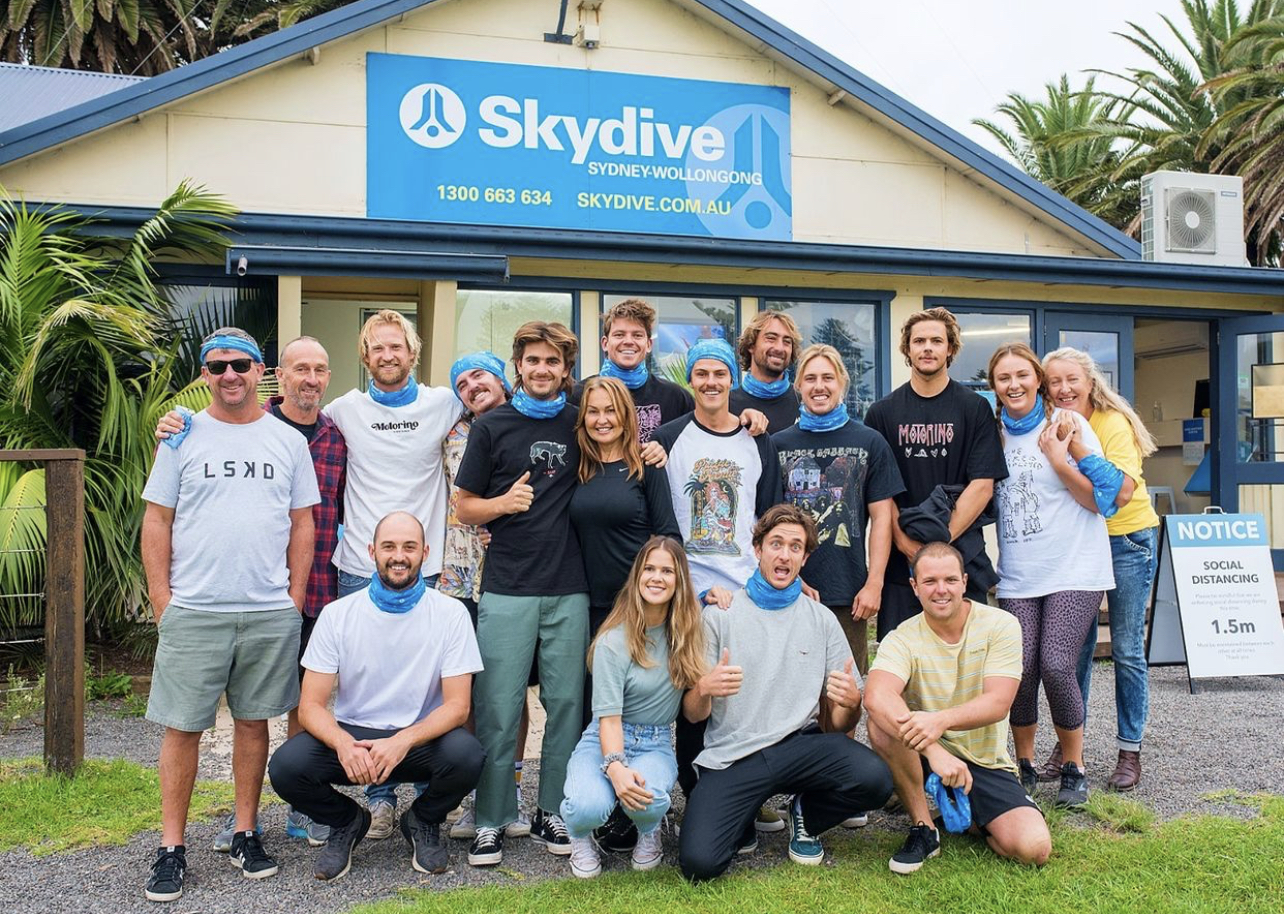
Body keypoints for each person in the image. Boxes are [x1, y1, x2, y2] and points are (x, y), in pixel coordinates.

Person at [140, 328, 319, 903]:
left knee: (253, 723)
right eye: (216, 367)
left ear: (260, 369)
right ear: (204, 375)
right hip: (195, 608)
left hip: (268, 610)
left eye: (240, 364)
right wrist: (162, 600)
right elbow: (157, 520)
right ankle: (172, 847)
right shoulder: (181, 437)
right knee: (183, 726)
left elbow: (302, 523)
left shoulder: (286, 441)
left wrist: (292, 600)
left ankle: (246, 830)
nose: (229, 375)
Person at [677, 505, 893, 882]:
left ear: (805, 558)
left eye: (795, 547)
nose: (784, 554)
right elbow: (694, 715)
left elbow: (842, 721)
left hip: (799, 747)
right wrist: (705, 689)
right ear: (757, 549)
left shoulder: (821, 619)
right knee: (700, 864)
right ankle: (741, 816)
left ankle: (805, 814)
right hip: (734, 754)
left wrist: (851, 704)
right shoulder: (720, 615)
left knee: (876, 778)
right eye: (776, 544)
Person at [268, 512, 485, 881]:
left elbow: (457, 706)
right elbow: (310, 707)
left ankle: (422, 820)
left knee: (468, 755)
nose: (398, 556)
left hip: (419, 741)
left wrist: (403, 740)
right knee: (286, 768)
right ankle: (347, 821)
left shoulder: (451, 615)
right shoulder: (338, 615)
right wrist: (342, 743)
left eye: (409, 547)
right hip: (357, 741)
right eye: (389, 546)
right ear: (372, 551)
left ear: (425, 553)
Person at [323, 309, 463, 836]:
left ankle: (428, 790)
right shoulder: (345, 409)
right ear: (364, 357)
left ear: (413, 353)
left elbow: (496, 400)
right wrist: (185, 420)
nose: (388, 355)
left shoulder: (442, 403)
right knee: (363, 687)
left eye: (396, 347)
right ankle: (378, 795)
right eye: (377, 348)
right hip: (360, 570)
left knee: (427, 686)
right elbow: (287, 411)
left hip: (425, 571)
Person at [455, 321, 590, 866]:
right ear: (518, 365)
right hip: (508, 587)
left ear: (565, 370)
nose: (542, 369)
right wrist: (502, 505)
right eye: (532, 360)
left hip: (570, 586)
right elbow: (464, 506)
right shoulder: (492, 427)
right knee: (498, 707)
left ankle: (551, 810)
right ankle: (492, 817)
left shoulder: (582, 424)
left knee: (565, 705)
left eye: (552, 362)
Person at [865, 542, 1051, 875]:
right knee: (881, 723)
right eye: (930, 581)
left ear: (965, 582)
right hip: (922, 751)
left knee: (1032, 848)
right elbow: (876, 696)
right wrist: (934, 750)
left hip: (983, 759)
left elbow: (998, 702)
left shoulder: (1001, 625)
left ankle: (972, 817)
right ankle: (924, 828)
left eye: (950, 580)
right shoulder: (902, 637)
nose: (941, 590)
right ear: (914, 587)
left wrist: (940, 721)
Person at [987, 343, 1116, 809]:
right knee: (1019, 669)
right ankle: (1024, 766)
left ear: (1037, 380)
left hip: (1075, 568)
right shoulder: (994, 433)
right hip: (1020, 572)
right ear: (994, 387)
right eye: (1004, 378)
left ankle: (1073, 767)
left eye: (1023, 375)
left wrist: (1060, 462)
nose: (1014, 384)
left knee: (1057, 663)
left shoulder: (1067, 424)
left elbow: (1102, 498)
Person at [1043, 347, 1160, 792]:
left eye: (1072, 379)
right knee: (1077, 648)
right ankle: (1070, 747)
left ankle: (1129, 751)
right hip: (1079, 544)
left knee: (1127, 649)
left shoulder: (1112, 423)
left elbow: (1122, 492)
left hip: (1125, 540)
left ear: (1090, 382)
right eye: (1055, 382)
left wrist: (1073, 447)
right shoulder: (1050, 423)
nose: (1064, 388)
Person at [559, 536, 706, 878]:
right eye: (649, 569)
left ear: (679, 580)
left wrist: (707, 687)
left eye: (667, 571)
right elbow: (608, 720)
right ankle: (579, 835)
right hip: (604, 738)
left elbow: (694, 714)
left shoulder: (688, 635)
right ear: (637, 576)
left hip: (654, 742)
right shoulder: (614, 640)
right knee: (587, 807)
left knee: (648, 799)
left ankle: (649, 829)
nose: (657, 577)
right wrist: (615, 767)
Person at [863, 308, 1008, 641]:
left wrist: (938, 550)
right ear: (907, 349)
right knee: (901, 668)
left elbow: (982, 486)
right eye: (919, 341)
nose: (927, 348)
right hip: (903, 564)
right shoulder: (882, 413)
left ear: (950, 349)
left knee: (968, 667)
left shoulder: (974, 408)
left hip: (961, 560)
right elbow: (881, 494)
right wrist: (907, 545)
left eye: (936, 341)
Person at [439, 352, 538, 842]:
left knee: (509, 686)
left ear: (504, 378)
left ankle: (510, 787)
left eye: (479, 375)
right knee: (467, 691)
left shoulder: (533, 419)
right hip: (458, 577)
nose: (470, 386)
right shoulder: (451, 433)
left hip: (517, 572)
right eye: (460, 382)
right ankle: (475, 792)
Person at [773, 343, 904, 674]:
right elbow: (766, 521)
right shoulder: (778, 445)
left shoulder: (870, 442)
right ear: (798, 386)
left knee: (845, 692)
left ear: (842, 383)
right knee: (793, 688)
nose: (820, 386)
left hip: (849, 592)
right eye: (811, 378)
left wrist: (875, 582)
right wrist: (791, 578)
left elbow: (882, 517)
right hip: (789, 587)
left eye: (828, 378)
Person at [570, 376, 682, 663]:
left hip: (635, 605)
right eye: (593, 412)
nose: (602, 420)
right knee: (592, 698)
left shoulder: (646, 465)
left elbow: (668, 536)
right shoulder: (578, 467)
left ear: (626, 414)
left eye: (611, 410)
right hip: (585, 606)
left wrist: (655, 593)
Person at [570, 298, 694, 442]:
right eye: (619, 335)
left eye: (637, 335)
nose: (628, 341)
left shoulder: (675, 398)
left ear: (648, 344)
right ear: (605, 343)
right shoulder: (579, 395)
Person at [728, 310, 803, 433]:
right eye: (771, 338)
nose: (779, 348)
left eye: (787, 342)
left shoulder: (805, 404)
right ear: (751, 345)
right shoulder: (727, 405)